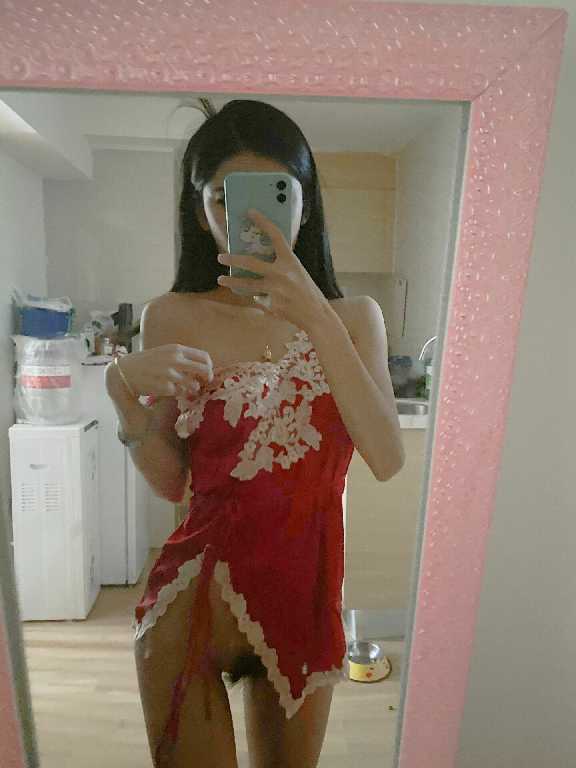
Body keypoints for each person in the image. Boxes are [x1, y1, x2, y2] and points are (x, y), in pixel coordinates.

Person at [105, 99, 405, 768]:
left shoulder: (356, 318)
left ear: (307, 203)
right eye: (223, 197)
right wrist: (121, 393)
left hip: (305, 601)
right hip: (194, 600)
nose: (251, 218)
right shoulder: (171, 316)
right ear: (200, 210)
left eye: (277, 194)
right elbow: (173, 483)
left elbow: (387, 457)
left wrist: (315, 316)